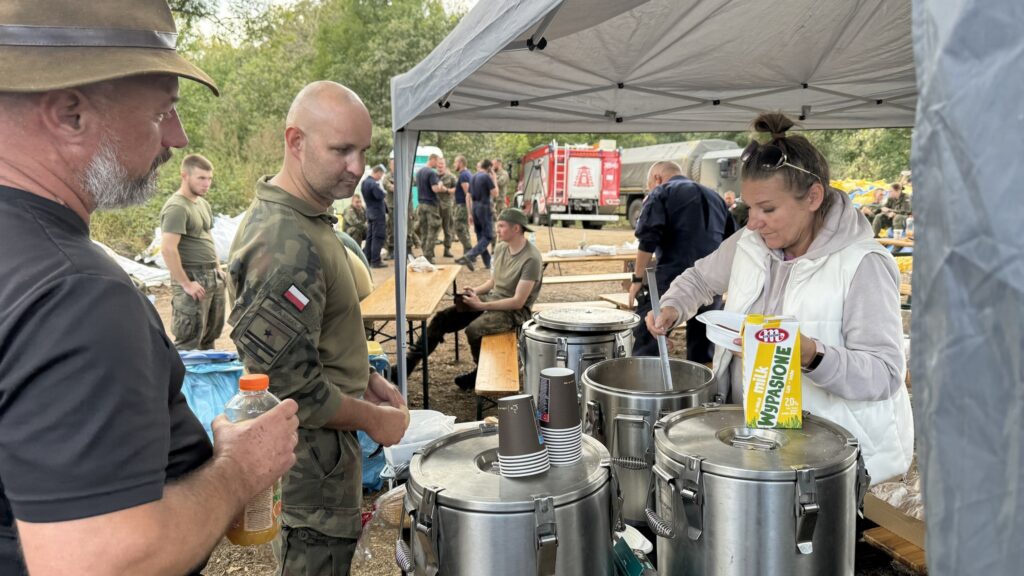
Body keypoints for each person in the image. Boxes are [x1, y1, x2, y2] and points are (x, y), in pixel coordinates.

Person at [0, 1, 299, 574]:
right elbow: (102, 561)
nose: (178, 137)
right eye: (164, 111)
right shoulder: (76, 295)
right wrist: (240, 471)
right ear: (70, 113)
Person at [646, 112, 914, 484]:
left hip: (831, 464)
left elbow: (884, 375)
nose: (753, 222)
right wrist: (673, 306)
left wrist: (810, 355)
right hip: (755, 442)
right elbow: (699, 278)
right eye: (749, 207)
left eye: (767, 209)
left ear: (813, 197)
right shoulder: (749, 243)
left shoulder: (863, 264)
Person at [227, 81, 410, 575]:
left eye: (363, 151)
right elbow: (287, 388)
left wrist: (365, 377)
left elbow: (315, 338)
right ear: (296, 141)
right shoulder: (285, 241)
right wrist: (374, 420)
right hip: (310, 468)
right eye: (341, 150)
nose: (357, 167)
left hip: (324, 454)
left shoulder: (308, 219)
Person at [407, 208, 543, 389]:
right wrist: (475, 291)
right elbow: (494, 281)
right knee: (443, 318)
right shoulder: (502, 248)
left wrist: (480, 305)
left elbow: (518, 301)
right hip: (493, 299)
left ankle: (482, 372)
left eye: (501, 226)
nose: (498, 230)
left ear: (516, 228)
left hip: (515, 312)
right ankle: (408, 365)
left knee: (474, 329)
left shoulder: (532, 258)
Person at [629, 161, 734, 362]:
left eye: (650, 184)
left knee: (649, 339)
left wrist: (637, 279)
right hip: (712, 283)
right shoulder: (716, 197)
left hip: (670, 280)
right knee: (704, 351)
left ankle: (645, 388)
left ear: (657, 179)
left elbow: (647, 241)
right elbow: (730, 241)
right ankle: (701, 389)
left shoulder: (661, 192)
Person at [160, 153, 227, 350]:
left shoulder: (202, 203)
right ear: (185, 176)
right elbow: (168, 249)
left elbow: (207, 238)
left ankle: (206, 382)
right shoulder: (176, 207)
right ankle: (185, 382)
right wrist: (186, 283)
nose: (206, 184)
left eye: (209, 179)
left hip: (212, 277)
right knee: (188, 341)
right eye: (201, 178)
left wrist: (217, 269)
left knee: (209, 338)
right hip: (192, 276)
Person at [456, 158, 498, 271]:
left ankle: (488, 262)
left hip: (474, 207)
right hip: (484, 207)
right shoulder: (486, 177)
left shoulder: (473, 176)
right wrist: (494, 179)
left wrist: (470, 213)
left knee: (480, 236)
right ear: (489, 167)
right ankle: (469, 256)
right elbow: (495, 194)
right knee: (488, 235)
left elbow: (468, 196)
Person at [382, 157, 419, 260]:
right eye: (393, 164)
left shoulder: (407, 174)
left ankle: (408, 250)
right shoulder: (387, 177)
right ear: (390, 166)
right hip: (393, 206)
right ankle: (391, 250)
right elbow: (391, 188)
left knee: (408, 227)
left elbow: (414, 182)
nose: (395, 166)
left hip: (407, 206)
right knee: (392, 228)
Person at [415, 153, 446, 263]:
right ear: (432, 160)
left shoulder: (419, 172)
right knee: (433, 230)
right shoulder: (432, 173)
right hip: (431, 205)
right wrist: (441, 184)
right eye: (437, 161)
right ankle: (428, 256)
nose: (438, 164)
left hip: (421, 204)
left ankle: (424, 253)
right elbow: (435, 189)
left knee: (424, 230)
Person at [361, 165, 387, 268]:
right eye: (381, 175)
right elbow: (380, 195)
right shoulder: (373, 184)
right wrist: (383, 192)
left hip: (370, 212)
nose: (381, 177)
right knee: (378, 236)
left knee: (370, 237)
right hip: (377, 214)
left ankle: (368, 258)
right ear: (378, 172)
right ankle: (376, 260)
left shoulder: (364, 182)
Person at [452, 155, 474, 255]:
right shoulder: (467, 174)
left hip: (463, 206)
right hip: (463, 206)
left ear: (460, 163)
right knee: (464, 228)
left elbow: (468, 194)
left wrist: (469, 210)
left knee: (459, 227)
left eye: (455, 162)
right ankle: (468, 255)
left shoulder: (464, 175)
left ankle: (469, 251)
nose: (454, 164)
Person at [437, 156, 457, 258]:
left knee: (447, 228)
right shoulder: (433, 176)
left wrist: (446, 190)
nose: (440, 166)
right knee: (434, 227)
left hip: (447, 205)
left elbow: (456, 189)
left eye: (442, 164)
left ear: (445, 165)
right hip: (435, 205)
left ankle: (447, 249)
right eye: (439, 164)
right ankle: (430, 250)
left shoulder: (451, 177)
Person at [492, 158, 510, 247]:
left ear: (499, 164)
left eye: (493, 164)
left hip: (500, 202)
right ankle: (493, 245)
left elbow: (500, 183)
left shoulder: (504, 174)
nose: (492, 166)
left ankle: (501, 244)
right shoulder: (493, 174)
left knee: (501, 224)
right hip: (493, 202)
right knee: (493, 224)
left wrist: (492, 178)